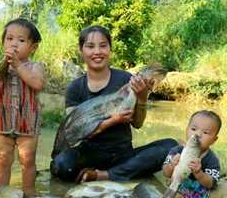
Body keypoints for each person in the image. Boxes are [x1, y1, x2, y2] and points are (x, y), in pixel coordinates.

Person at [50, 25, 178, 183]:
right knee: (61, 165)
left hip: (121, 153)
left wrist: (143, 97)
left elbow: (137, 124)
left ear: (110, 49)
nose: (97, 51)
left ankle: (104, 175)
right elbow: (75, 131)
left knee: (171, 147)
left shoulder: (126, 79)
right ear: (81, 50)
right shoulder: (75, 88)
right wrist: (113, 120)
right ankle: (123, 173)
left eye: (103, 45)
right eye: (90, 46)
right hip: (89, 154)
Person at [0, 18, 45, 198]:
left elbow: (37, 84)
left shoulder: (35, 67)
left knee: (27, 161)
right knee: (2, 161)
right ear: (3, 42)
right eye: (9, 39)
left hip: (27, 125)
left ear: (32, 47)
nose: (14, 44)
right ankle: (1, 195)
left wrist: (18, 66)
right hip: (2, 124)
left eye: (21, 40)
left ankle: (29, 194)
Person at [163, 110, 221, 198]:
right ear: (186, 129)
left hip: (200, 195)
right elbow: (166, 173)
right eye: (193, 129)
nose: (197, 134)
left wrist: (199, 173)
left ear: (214, 140)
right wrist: (171, 165)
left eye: (205, 132)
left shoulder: (212, 159)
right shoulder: (177, 151)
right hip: (178, 190)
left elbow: (211, 184)